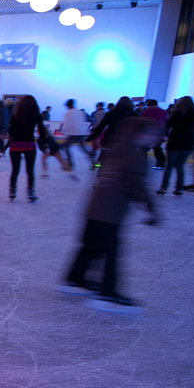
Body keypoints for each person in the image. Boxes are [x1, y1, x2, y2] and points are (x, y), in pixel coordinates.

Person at [59, 118, 158, 313]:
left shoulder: (112, 150)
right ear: (140, 134)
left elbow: (98, 173)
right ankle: (108, 294)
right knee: (112, 253)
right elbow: (136, 186)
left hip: (94, 209)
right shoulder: (136, 156)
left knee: (90, 246)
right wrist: (151, 209)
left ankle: (74, 279)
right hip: (110, 213)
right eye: (152, 134)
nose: (157, 138)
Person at [7, 95, 48, 202]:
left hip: (15, 144)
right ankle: (31, 192)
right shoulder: (36, 115)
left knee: (15, 169)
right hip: (29, 145)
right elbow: (41, 131)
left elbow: (10, 130)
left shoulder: (16, 114)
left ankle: (12, 191)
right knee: (30, 170)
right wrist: (44, 144)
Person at [158, 96, 194, 195]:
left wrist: (166, 135)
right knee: (180, 166)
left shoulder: (176, 114)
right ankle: (179, 188)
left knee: (169, 166)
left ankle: (164, 187)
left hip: (175, 142)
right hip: (188, 143)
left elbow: (169, 125)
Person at [88, 96, 136, 168]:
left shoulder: (111, 113)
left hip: (111, 140)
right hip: (127, 141)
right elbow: (136, 129)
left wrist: (89, 138)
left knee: (104, 157)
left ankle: (99, 169)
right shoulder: (134, 114)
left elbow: (100, 128)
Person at [59, 99, 93, 168]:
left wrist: (65, 133)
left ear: (68, 106)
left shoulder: (68, 113)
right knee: (84, 149)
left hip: (73, 134)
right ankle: (93, 162)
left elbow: (67, 124)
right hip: (81, 133)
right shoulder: (80, 112)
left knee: (66, 147)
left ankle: (70, 163)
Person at [138, 98, 168, 169]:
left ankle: (142, 163)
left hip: (147, 134)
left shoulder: (145, 112)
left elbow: (141, 124)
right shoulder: (163, 112)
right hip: (159, 134)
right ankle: (160, 163)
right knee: (157, 149)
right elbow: (166, 123)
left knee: (143, 149)